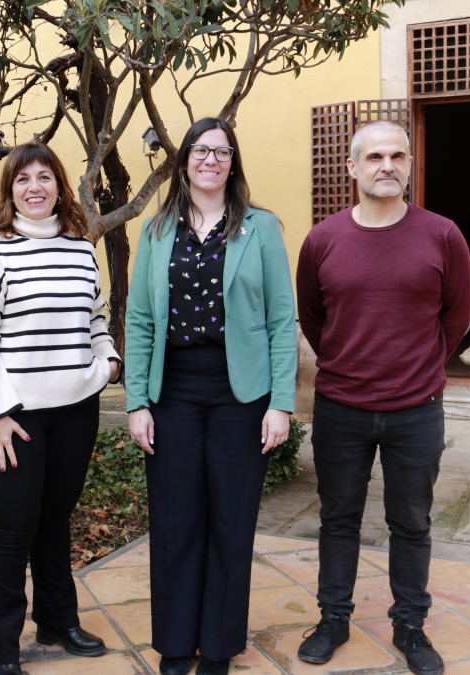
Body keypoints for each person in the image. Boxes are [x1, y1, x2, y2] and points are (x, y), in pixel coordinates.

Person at [295, 120, 470, 675]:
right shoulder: (323, 240)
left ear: (410, 165)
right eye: (374, 156)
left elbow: (457, 316)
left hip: (416, 409)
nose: (387, 165)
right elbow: (313, 318)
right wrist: (353, 366)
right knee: (338, 518)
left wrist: (417, 368)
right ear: (353, 167)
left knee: (412, 521)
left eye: (398, 155)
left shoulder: (443, 235)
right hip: (341, 407)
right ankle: (333, 618)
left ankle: (410, 625)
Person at [124, 118, 297, 675]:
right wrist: (136, 403)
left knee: (231, 520)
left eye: (222, 152)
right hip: (172, 392)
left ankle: (218, 648)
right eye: (201, 150)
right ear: (184, 162)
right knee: (177, 521)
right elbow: (141, 322)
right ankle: (176, 645)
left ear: (233, 163)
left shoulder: (261, 228)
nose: (211, 160)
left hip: (239, 396)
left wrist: (282, 403)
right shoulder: (155, 232)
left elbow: (280, 319)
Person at [0, 141, 122, 675]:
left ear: (59, 186)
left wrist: (108, 363)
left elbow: (95, 318)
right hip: (12, 417)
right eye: (23, 178)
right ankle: (1, 648)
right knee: (14, 525)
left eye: (44, 177)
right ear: (10, 190)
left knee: (56, 520)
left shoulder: (80, 247)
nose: (35, 187)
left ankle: (58, 620)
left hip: (75, 410)